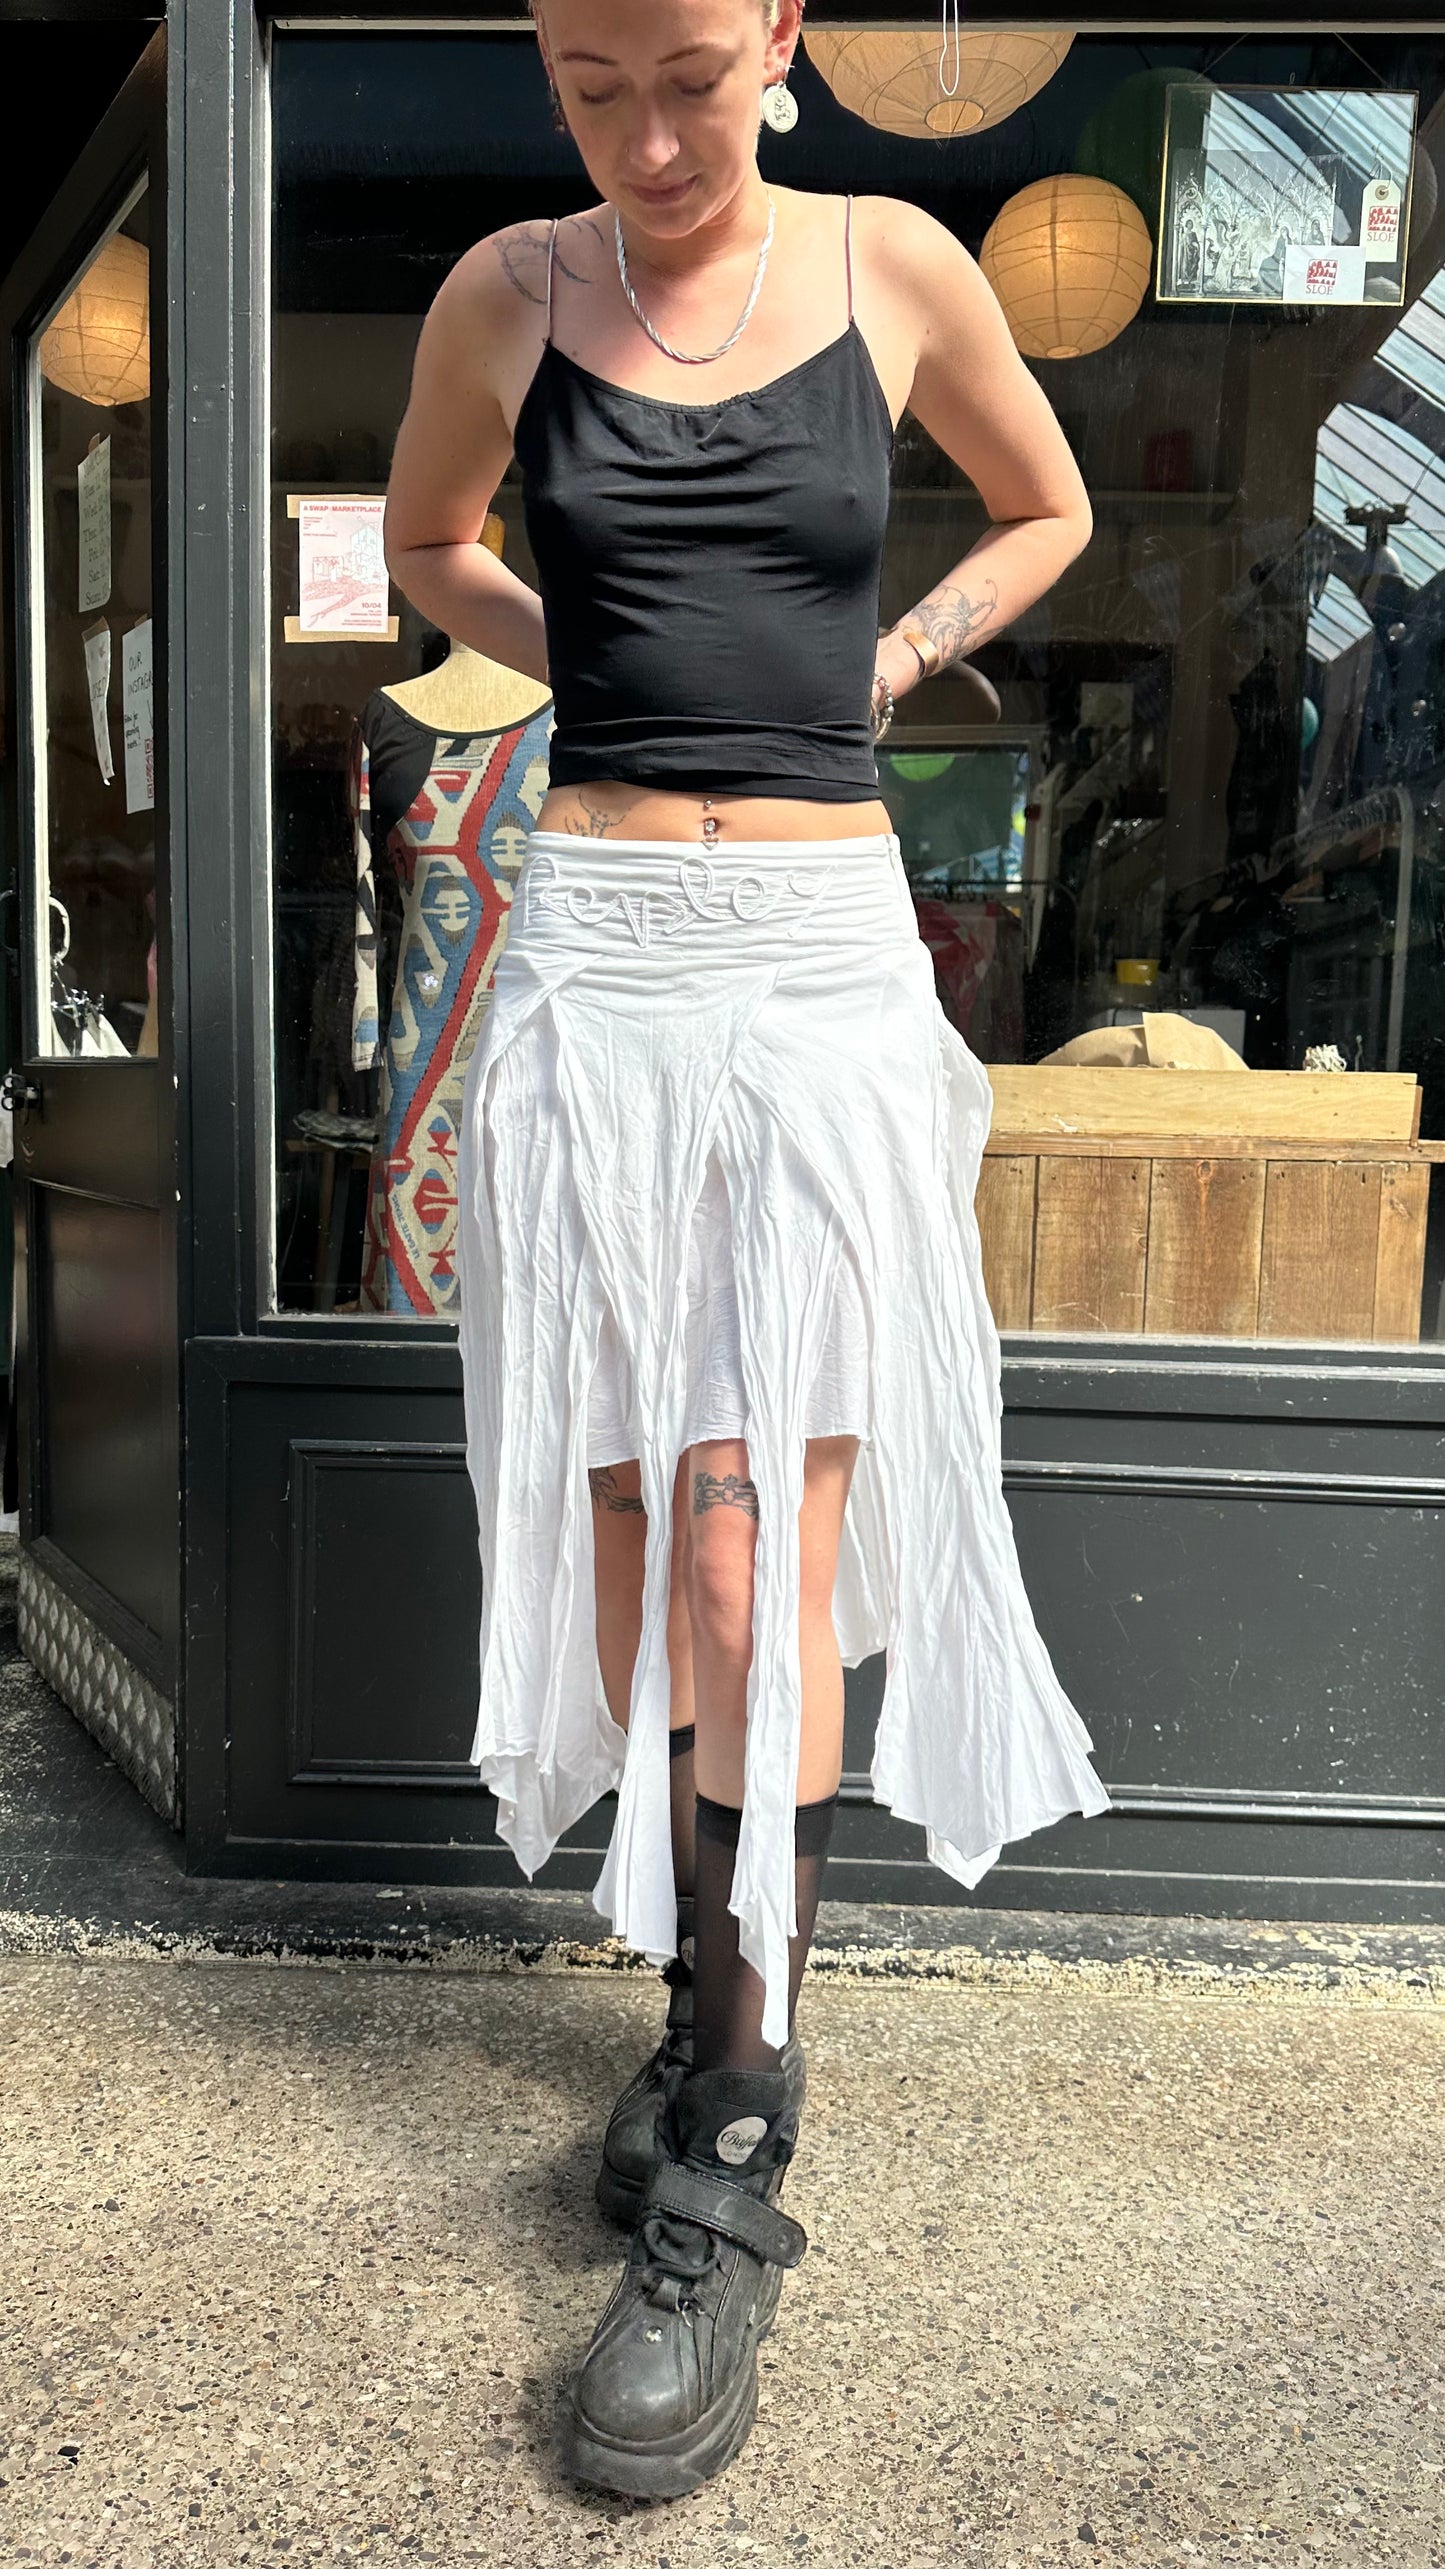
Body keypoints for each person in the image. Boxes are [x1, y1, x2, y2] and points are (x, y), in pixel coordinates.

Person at [384, 0, 1110, 2501]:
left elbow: (1048, 508)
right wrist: (572, 646)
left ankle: (734, 2129)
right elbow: (426, 545)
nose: (648, 131)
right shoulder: (505, 292)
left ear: (783, 35)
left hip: (813, 970)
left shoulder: (898, 262)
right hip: (595, 963)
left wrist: (892, 655)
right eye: (592, 83)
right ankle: (706, 1987)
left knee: (740, 1543)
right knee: (628, 1538)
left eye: (690, 71)